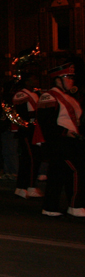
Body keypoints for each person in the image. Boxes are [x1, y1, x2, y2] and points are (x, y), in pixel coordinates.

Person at [37, 62, 84, 217]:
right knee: (77, 170)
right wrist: (65, 132)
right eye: (67, 77)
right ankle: (76, 205)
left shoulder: (69, 97)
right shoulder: (48, 96)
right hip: (60, 142)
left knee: (58, 176)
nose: (71, 80)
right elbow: (46, 123)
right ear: (58, 79)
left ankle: (50, 207)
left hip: (71, 141)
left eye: (72, 77)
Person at [12, 73, 44, 198]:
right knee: (30, 158)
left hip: (34, 130)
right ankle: (28, 185)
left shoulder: (35, 94)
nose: (36, 80)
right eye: (33, 78)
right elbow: (21, 114)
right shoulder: (22, 95)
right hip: (27, 131)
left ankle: (23, 186)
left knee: (30, 158)